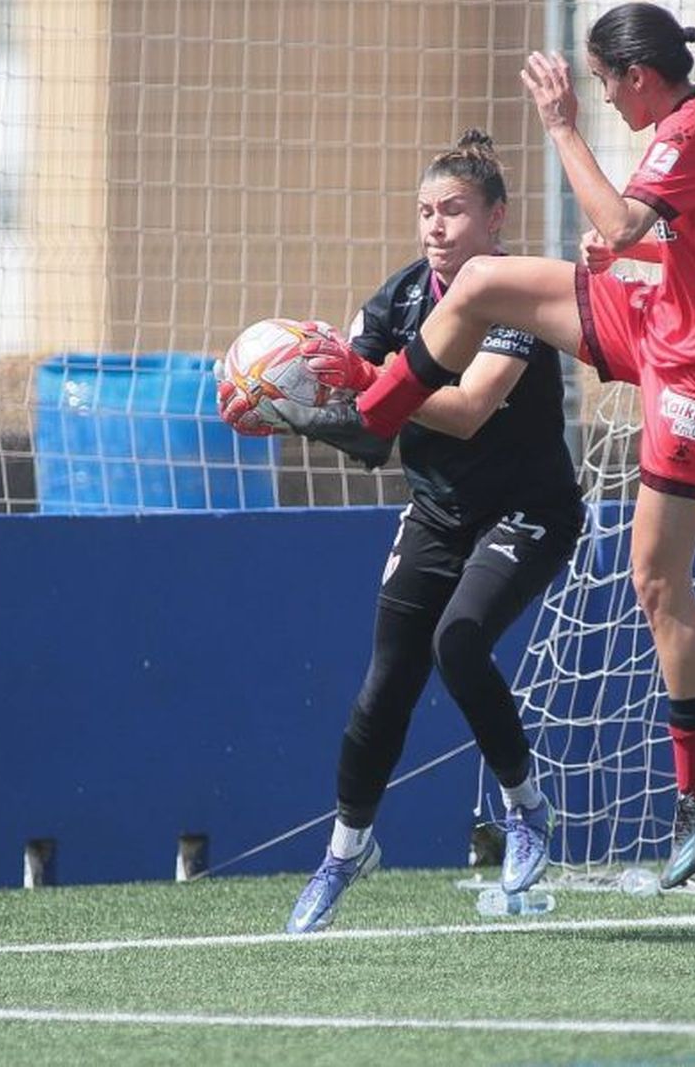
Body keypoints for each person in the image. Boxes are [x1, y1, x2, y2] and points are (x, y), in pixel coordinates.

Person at [272, 2, 695, 891]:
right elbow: (690, 247)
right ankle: (373, 415)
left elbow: (626, 223)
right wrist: (633, 258)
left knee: (657, 580)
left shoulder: (691, 129)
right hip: (660, 318)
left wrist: (561, 127)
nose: (604, 99)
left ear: (639, 77)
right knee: (482, 283)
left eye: (606, 83)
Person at [218, 130, 584, 932]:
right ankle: (346, 851)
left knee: (460, 642)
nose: (435, 226)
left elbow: (467, 409)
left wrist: (364, 378)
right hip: (437, 513)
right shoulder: (397, 301)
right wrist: (288, 406)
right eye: (425, 211)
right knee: (384, 688)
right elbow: (368, 436)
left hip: (528, 511)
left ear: (496, 219)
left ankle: (526, 808)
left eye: (453, 210)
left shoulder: (518, 298)